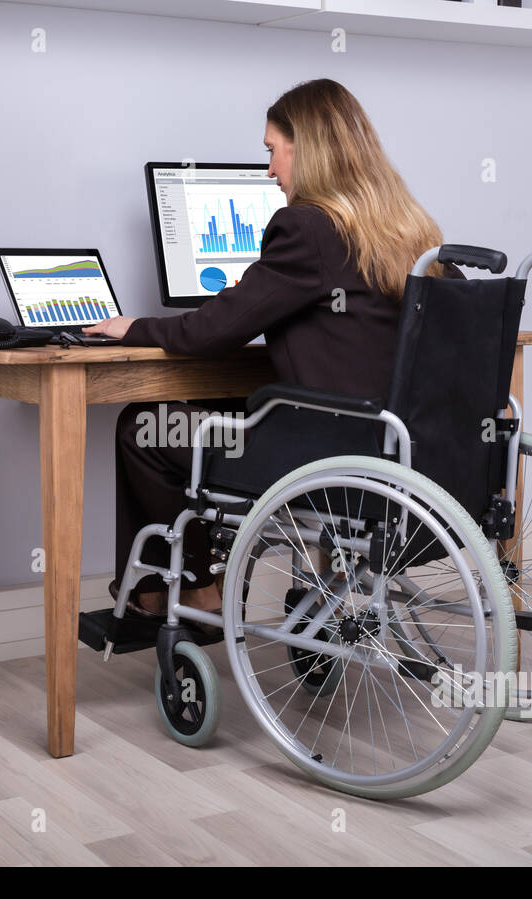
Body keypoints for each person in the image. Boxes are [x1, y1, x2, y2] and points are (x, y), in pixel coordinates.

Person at [86, 77, 452, 622]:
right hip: (402, 448)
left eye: (272, 152)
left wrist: (133, 326)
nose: (269, 172)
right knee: (224, 412)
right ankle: (183, 584)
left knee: (146, 426)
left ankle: (191, 586)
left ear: (306, 149)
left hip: (329, 453)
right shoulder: (410, 229)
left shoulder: (306, 226)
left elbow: (210, 334)